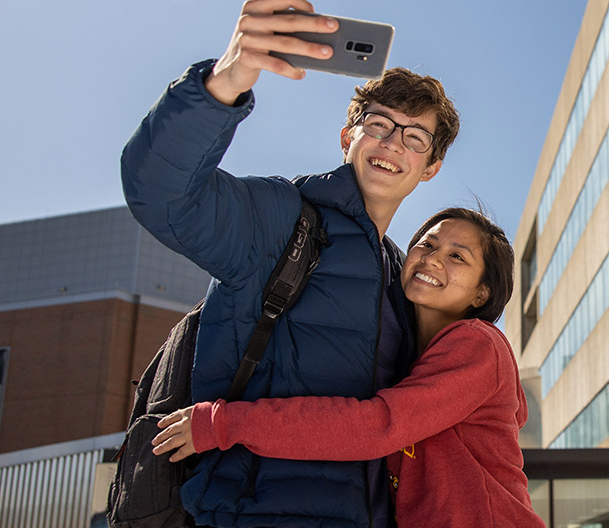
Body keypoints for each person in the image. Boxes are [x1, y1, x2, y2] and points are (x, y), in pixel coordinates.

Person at [120, 0, 459, 525]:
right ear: (349, 137)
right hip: (250, 513)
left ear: (431, 167)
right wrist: (224, 82)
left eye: (415, 137)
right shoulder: (283, 221)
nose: (393, 142)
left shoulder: (404, 276)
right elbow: (162, 194)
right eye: (379, 125)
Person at [151, 208, 544, 527]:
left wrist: (225, 425)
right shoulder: (410, 360)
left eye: (457, 256)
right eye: (426, 244)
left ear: (483, 292)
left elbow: (375, 427)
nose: (432, 257)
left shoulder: (478, 343)